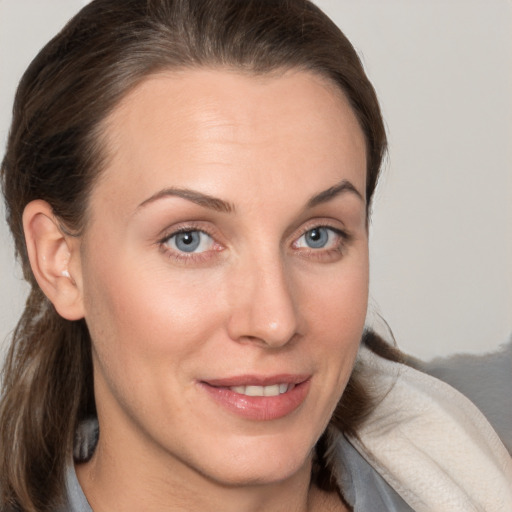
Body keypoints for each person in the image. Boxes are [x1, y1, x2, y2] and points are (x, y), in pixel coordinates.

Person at [0, 1, 510, 511]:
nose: (275, 321)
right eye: (190, 239)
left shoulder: (481, 446)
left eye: (318, 236)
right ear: (60, 261)